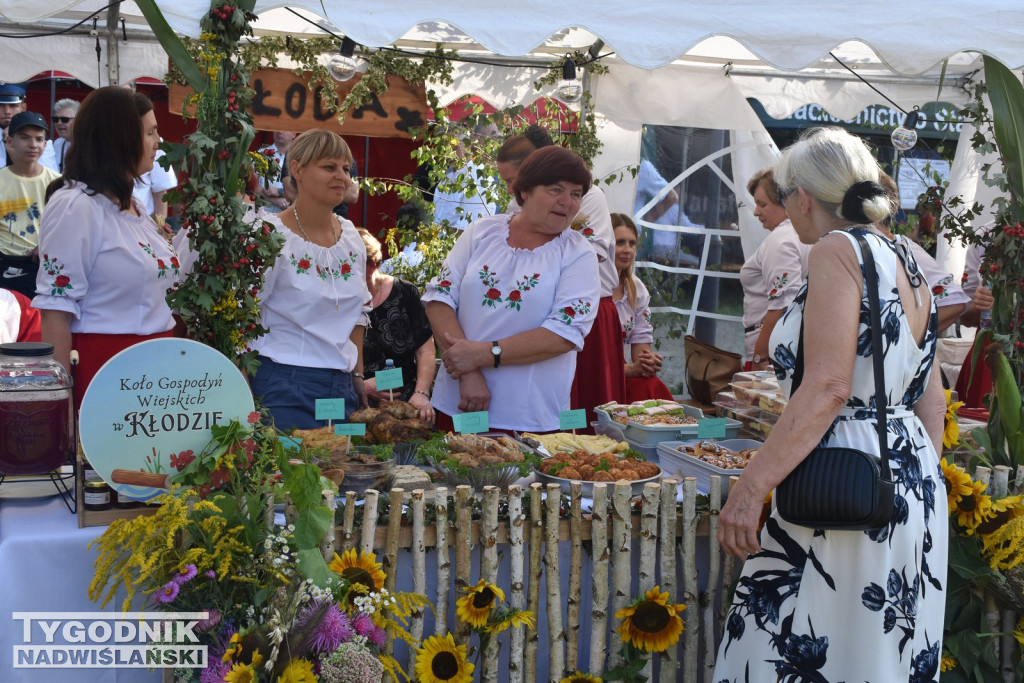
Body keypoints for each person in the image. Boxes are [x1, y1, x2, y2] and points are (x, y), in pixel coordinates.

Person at [714, 127, 947, 682]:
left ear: (801, 196)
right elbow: (931, 400)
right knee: (873, 654)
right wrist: (914, 484)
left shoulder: (837, 250)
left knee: (794, 648)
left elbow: (828, 386)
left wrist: (751, 486)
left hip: (840, 476)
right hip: (906, 475)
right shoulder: (907, 259)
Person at [422, 146, 599, 432]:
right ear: (525, 190)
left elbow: (564, 334)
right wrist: (468, 370)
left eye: (576, 194)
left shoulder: (578, 254)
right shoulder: (482, 233)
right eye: (556, 189)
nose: (567, 202)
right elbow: (439, 299)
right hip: (461, 403)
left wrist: (482, 354)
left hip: (530, 416)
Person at [34, 87, 178, 410]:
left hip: (156, 370)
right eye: (151, 132)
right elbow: (56, 311)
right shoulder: (77, 206)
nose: (158, 143)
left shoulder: (136, 211)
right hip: (106, 370)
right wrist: (60, 404)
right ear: (120, 137)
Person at [495, 125, 624, 426]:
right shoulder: (515, 206)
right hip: (536, 311)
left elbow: (586, 258)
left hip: (586, 316)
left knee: (581, 403)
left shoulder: (588, 198)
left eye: (510, 180)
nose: (509, 189)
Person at [248, 129, 371, 431]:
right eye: (329, 167)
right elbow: (244, 313)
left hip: (341, 388)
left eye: (345, 168)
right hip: (283, 384)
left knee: (345, 475)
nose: (341, 176)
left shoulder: (351, 237)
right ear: (297, 169)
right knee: (289, 475)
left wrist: (357, 375)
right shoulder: (269, 233)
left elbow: (358, 314)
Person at [357, 228, 436, 422]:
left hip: (407, 401)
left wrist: (422, 393)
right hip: (359, 403)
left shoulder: (406, 293)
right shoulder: (338, 300)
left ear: (373, 264)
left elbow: (425, 350)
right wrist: (362, 387)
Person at [877, 172, 969, 334]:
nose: (930, 219)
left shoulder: (904, 246)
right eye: (926, 214)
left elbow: (953, 301)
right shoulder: (915, 239)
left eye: (934, 214)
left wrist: (908, 339)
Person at [739, 168, 810, 370]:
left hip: (771, 350)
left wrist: (759, 357)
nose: (756, 212)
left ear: (785, 202)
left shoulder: (781, 241)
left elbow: (782, 304)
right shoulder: (799, 235)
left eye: (763, 204)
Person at [610, 213, 673, 402]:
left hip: (619, 372)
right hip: (587, 372)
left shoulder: (636, 289)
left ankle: (664, 429)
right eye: (620, 242)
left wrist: (647, 363)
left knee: (650, 384)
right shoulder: (588, 285)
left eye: (632, 243)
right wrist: (628, 370)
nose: (627, 250)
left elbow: (641, 349)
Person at [0, 112, 62, 298]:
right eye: (25, 138)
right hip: (6, 263)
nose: (33, 144)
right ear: (10, 141)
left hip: (46, 263)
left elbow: (68, 225)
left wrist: (46, 244)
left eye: (39, 139)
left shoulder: (58, 182)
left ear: (45, 144)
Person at [133, 148, 178, 228]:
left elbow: (160, 191)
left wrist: (160, 227)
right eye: (149, 134)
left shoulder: (157, 147)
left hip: (146, 224)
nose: (156, 139)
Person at [260, 130, 296, 212]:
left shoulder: (301, 158)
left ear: (294, 133)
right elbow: (252, 187)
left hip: (292, 215)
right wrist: (273, 200)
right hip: (262, 216)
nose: (280, 131)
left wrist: (279, 192)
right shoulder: (259, 155)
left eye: (285, 129)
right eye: (277, 128)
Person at [51, 99, 79, 173]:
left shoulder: (90, 145)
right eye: (56, 119)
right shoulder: (56, 144)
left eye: (64, 119)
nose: (59, 123)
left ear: (78, 120)